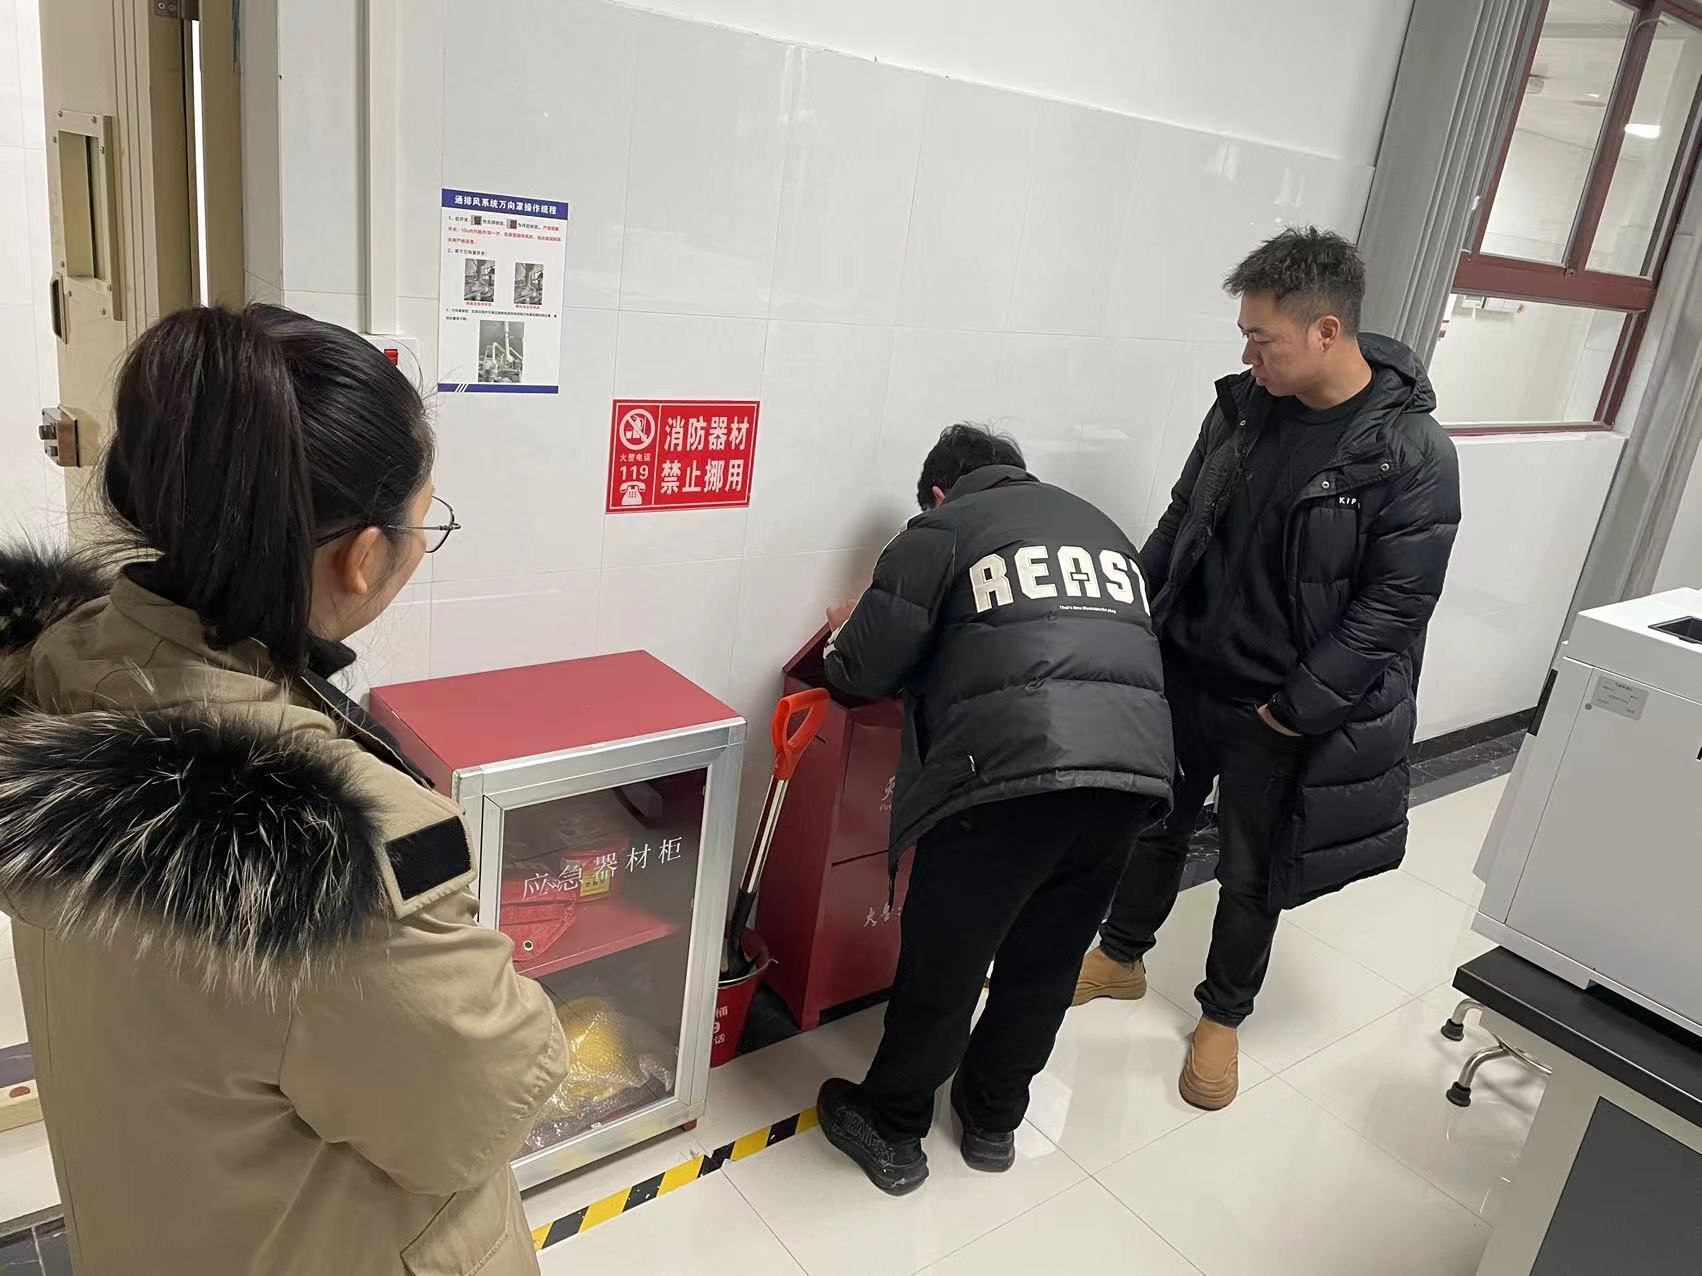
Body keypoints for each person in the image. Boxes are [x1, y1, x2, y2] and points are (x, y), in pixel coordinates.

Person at [0, 305, 568, 1275]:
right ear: (361, 557)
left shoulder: (60, 679)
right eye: (425, 523)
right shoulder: (324, 861)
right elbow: (480, 1110)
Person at [1073, 227, 1461, 1111]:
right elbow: (1182, 517)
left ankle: (1222, 1016)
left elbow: (1394, 606)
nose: (1249, 355)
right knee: (1152, 826)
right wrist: (1133, 620)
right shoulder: (1244, 406)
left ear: (1327, 331)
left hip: (1276, 706)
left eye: (1263, 339)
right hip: (1185, 669)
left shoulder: (1409, 454)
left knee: (1253, 871)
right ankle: (1122, 956)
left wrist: (1296, 708)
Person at [814, 424, 1173, 1195]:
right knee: (1046, 961)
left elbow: (859, 673)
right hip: (1130, 777)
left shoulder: (940, 531)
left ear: (939, 492)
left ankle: (892, 1127)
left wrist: (845, 635)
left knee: (947, 961)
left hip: (1006, 779)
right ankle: (993, 1119)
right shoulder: (1100, 528)